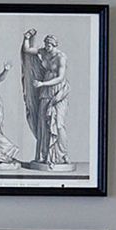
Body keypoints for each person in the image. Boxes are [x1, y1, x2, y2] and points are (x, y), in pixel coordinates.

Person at [22, 29, 71, 169]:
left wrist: (42, 83)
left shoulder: (61, 57)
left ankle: (62, 154)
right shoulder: (44, 52)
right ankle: (45, 156)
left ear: (55, 45)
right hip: (45, 92)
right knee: (43, 124)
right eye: (46, 45)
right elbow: (27, 50)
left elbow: (60, 77)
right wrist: (27, 37)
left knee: (58, 123)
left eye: (49, 45)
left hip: (58, 92)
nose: (47, 47)